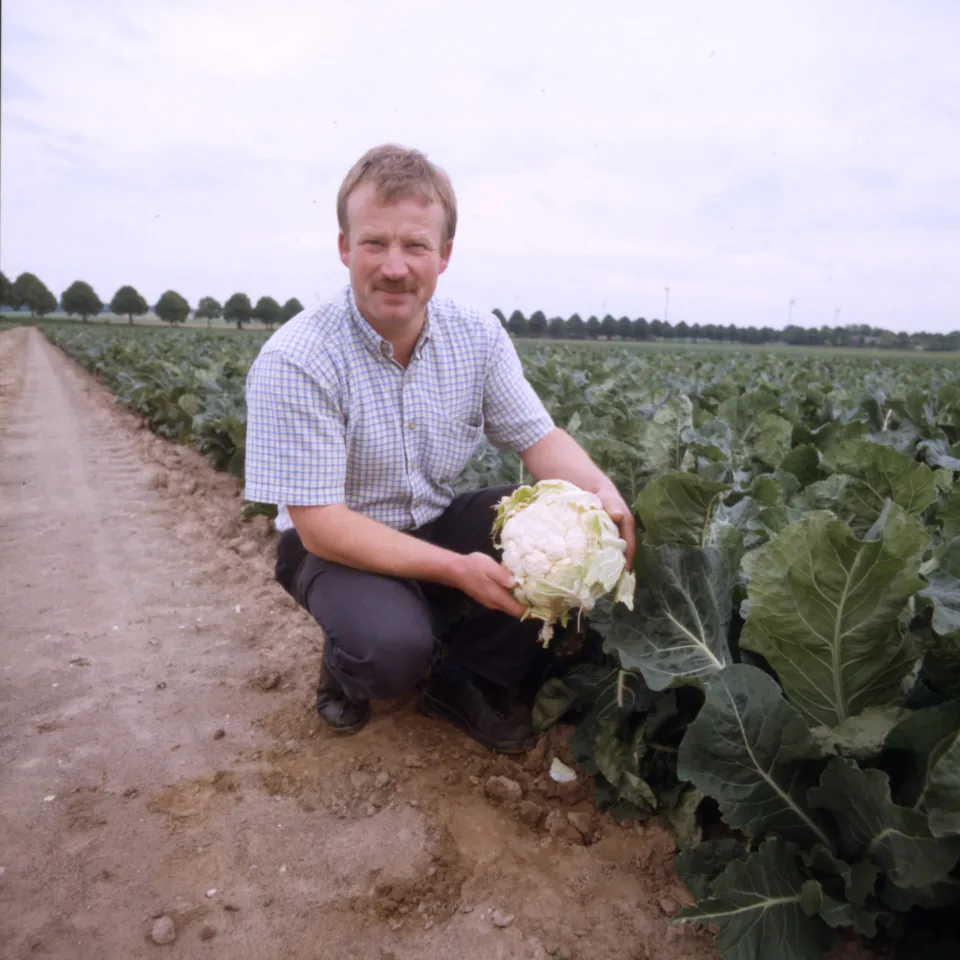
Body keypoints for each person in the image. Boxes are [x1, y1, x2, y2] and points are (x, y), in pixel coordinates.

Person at [244, 144, 634, 754]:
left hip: (433, 519)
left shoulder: (475, 335)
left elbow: (540, 438)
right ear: (344, 247)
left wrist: (605, 496)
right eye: (374, 242)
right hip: (335, 546)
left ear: (444, 255)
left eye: (416, 246)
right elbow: (320, 528)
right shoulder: (298, 358)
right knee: (390, 650)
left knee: (569, 537)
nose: (395, 267)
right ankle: (350, 664)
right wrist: (455, 570)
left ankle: (460, 678)